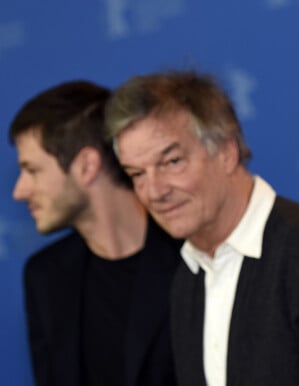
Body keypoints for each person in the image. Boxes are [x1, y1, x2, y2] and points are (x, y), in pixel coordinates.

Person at [104, 69, 299, 386]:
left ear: (227, 152)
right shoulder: (185, 280)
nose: (154, 190)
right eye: (137, 174)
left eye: (172, 162)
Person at [10, 80, 181, 386]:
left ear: (87, 165)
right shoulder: (45, 278)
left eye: (32, 170)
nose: (19, 191)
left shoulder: (195, 259)